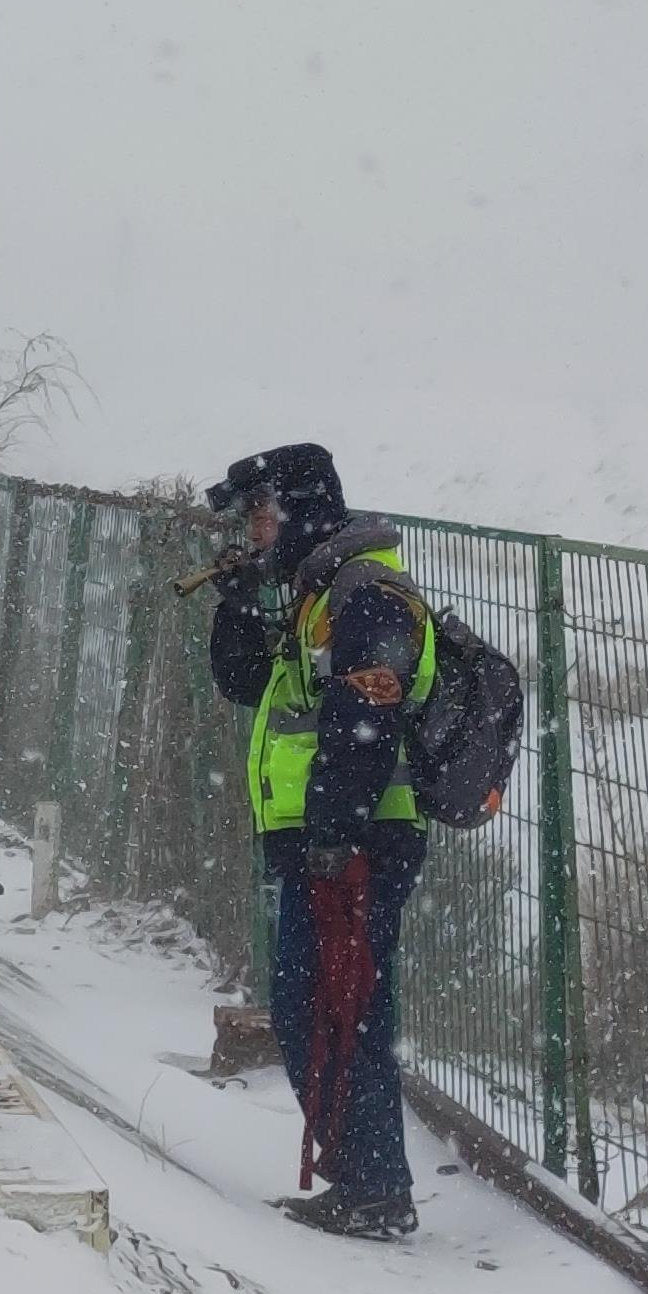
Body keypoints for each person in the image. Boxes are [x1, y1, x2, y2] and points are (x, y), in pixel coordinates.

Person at [199, 440, 436, 1241]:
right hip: (324, 843)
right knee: (319, 1008)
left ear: (300, 511)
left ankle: (375, 1192)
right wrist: (236, 602)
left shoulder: (364, 594)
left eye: (262, 517)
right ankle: (364, 1182)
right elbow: (245, 685)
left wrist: (335, 838)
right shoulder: (315, 596)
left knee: (343, 1010)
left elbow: (365, 722)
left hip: (359, 843)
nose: (256, 534)